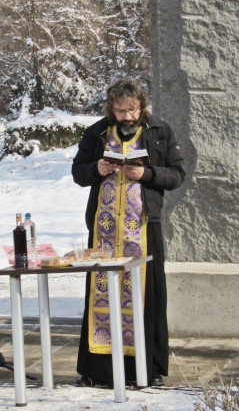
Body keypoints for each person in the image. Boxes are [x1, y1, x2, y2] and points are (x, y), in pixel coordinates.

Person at [71, 78, 185, 387]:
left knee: (148, 296)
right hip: (104, 231)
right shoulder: (96, 132)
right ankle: (97, 370)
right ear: (111, 109)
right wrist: (98, 169)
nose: (127, 117)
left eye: (132, 109)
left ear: (141, 106)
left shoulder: (159, 132)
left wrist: (145, 174)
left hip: (145, 229)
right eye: (120, 111)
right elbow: (78, 172)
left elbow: (177, 174)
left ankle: (149, 370)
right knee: (102, 295)